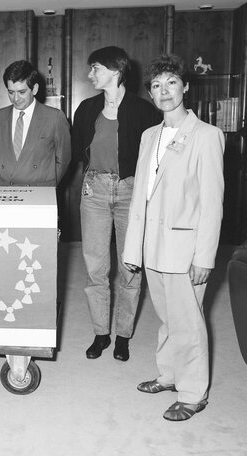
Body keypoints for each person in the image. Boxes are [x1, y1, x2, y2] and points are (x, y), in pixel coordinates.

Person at [124, 54, 224, 421]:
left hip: (185, 250)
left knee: (189, 322)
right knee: (167, 318)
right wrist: (133, 247)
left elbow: (213, 203)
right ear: (150, 93)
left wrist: (205, 256)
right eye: (156, 85)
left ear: (185, 87)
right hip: (153, 246)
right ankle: (168, 375)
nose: (163, 91)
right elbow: (141, 197)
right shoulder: (149, 136)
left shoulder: (207, 136)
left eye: (170, 83)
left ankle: (194, 393)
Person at [72, 46, 161, 362]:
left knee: (130, 267)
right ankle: (101, 334)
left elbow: (155, 159)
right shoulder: (86, 109)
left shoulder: (145, 111)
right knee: (95, 266)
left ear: (115, 70)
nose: (90, 74)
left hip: (131, 192)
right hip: (94, 190)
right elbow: (77, 151)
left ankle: (123, 335)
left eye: (95, 67)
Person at [0, 59, 71, 186]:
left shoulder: (54, 117)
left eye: (22, 92)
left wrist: (49, 186)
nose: (15, 99)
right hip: (6, 192)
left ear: (34, 89)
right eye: (11, 92)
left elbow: (63, 159)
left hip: (39, 192)